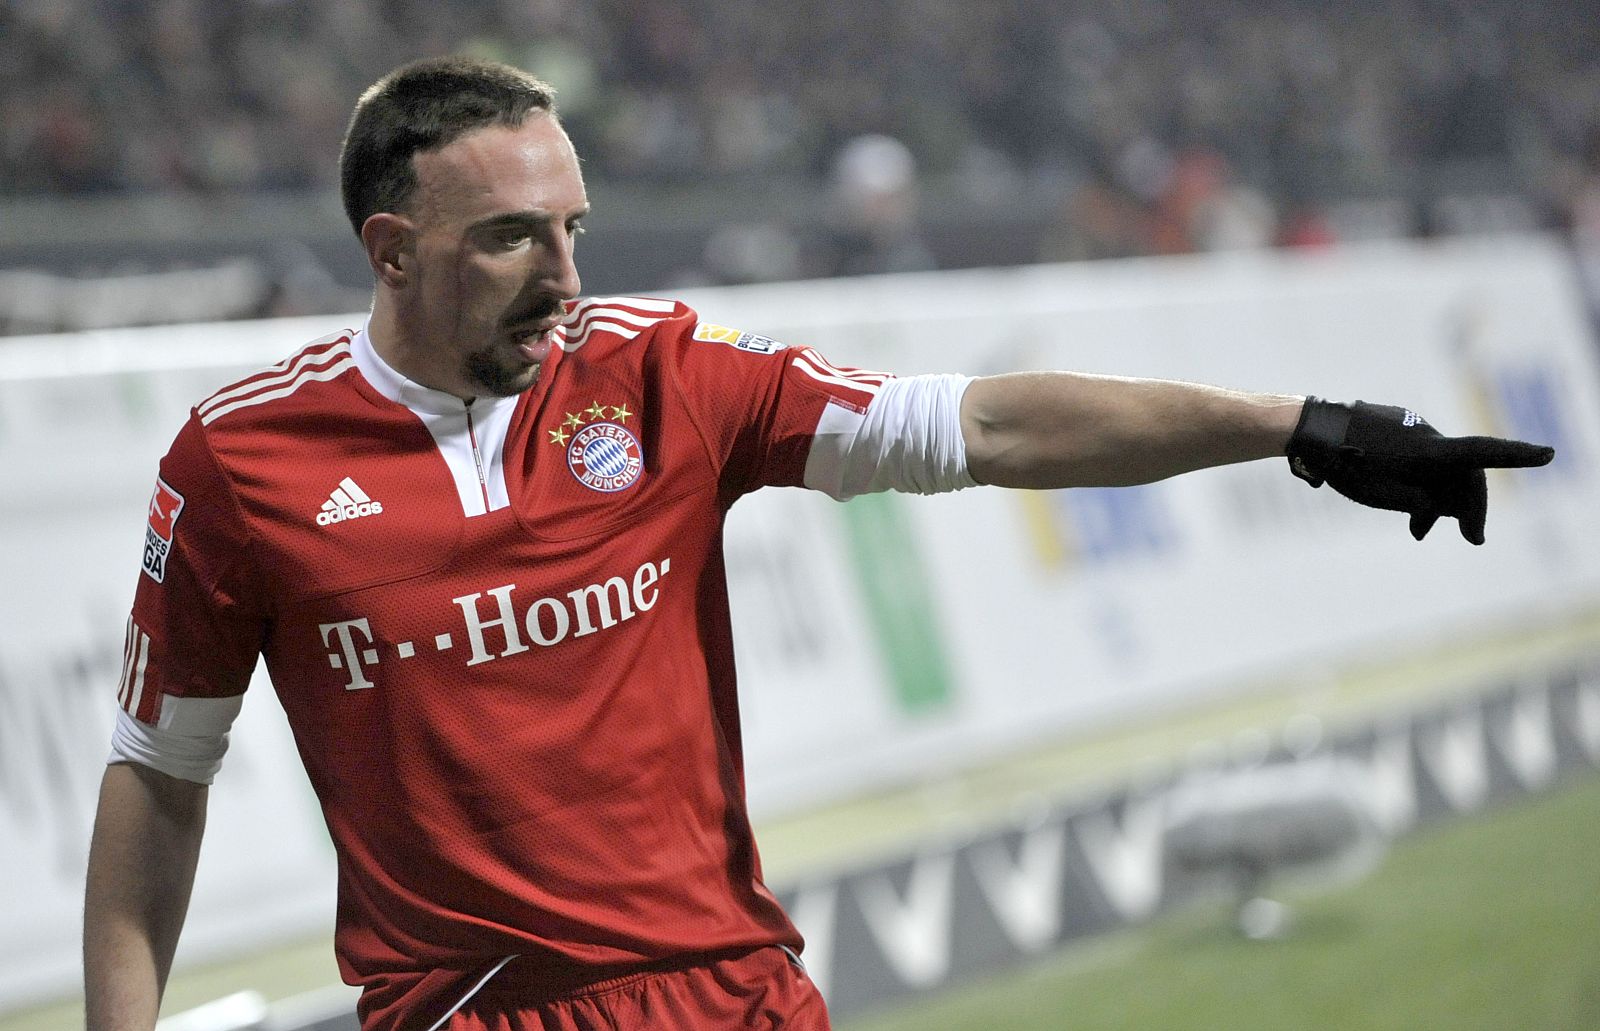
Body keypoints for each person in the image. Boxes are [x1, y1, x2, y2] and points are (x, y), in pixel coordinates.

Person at [82, 56, 1553, 1031]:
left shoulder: (663, 373)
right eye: (513, 240)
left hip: (734, 996)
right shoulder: (242, 464)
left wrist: (1304, 425)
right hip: (477, 1010)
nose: (569, 278)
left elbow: (988, 428)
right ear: (391, 250)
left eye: (575, 228)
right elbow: (160, 778)